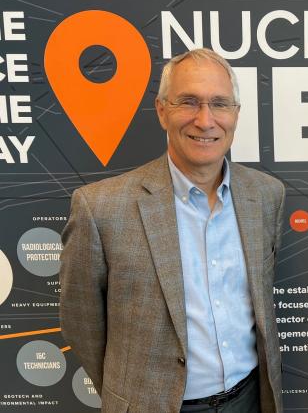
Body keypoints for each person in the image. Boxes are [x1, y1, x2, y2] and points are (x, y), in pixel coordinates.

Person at [60, 48, 285, 413]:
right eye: (188, 102)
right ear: (162, 110)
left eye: (220, 104)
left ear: (236, 115)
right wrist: (132, 392)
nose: (205, 120)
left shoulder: (266, 195)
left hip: (249, 399)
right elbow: (81, 323)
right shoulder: (100, 207)